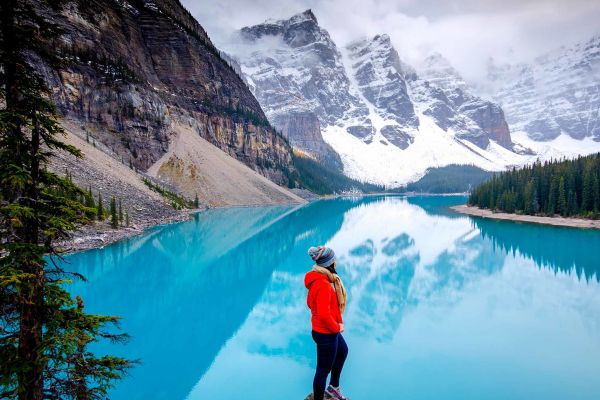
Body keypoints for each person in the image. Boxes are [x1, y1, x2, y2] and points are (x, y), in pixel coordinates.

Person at [305, 246, 349, 400]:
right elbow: (323, 314)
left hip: (325, 330)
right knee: (322, 371)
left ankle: (333, 388)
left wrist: (335, 323)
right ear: (329, 264)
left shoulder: (320, 279)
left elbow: (311, 303)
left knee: (342, 351)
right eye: (334, 260)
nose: (336, 262)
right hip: (325, 333)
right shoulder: (323, 285)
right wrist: (337, 326)